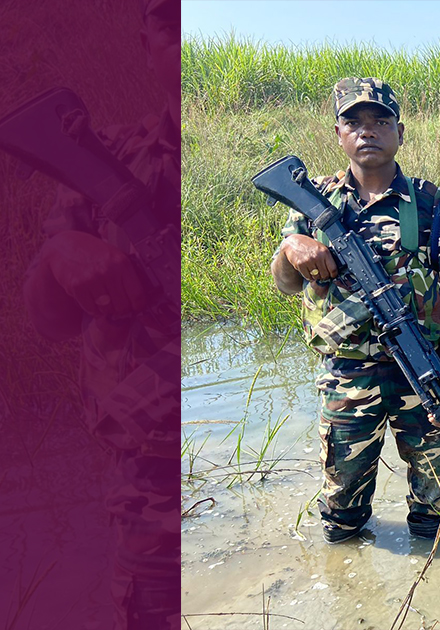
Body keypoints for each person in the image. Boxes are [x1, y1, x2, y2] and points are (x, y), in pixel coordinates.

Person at [17, 0, 181, 628]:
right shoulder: (103, 158)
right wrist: (61, 257)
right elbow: (50, 323)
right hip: (149, 486)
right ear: (146, 43)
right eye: (169, 21)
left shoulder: (260, 172)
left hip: (256, 461)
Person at [270, 77, 440, 544]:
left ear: (400, 132)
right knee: (341, 513)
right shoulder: (313, 200)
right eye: (355, 122)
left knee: (435, 513)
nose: (368, 131)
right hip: (346, 375)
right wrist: (291, 248)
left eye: (381, 121)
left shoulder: (434, 204)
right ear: (338, 135)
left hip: (423, 376)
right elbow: (285, 285)